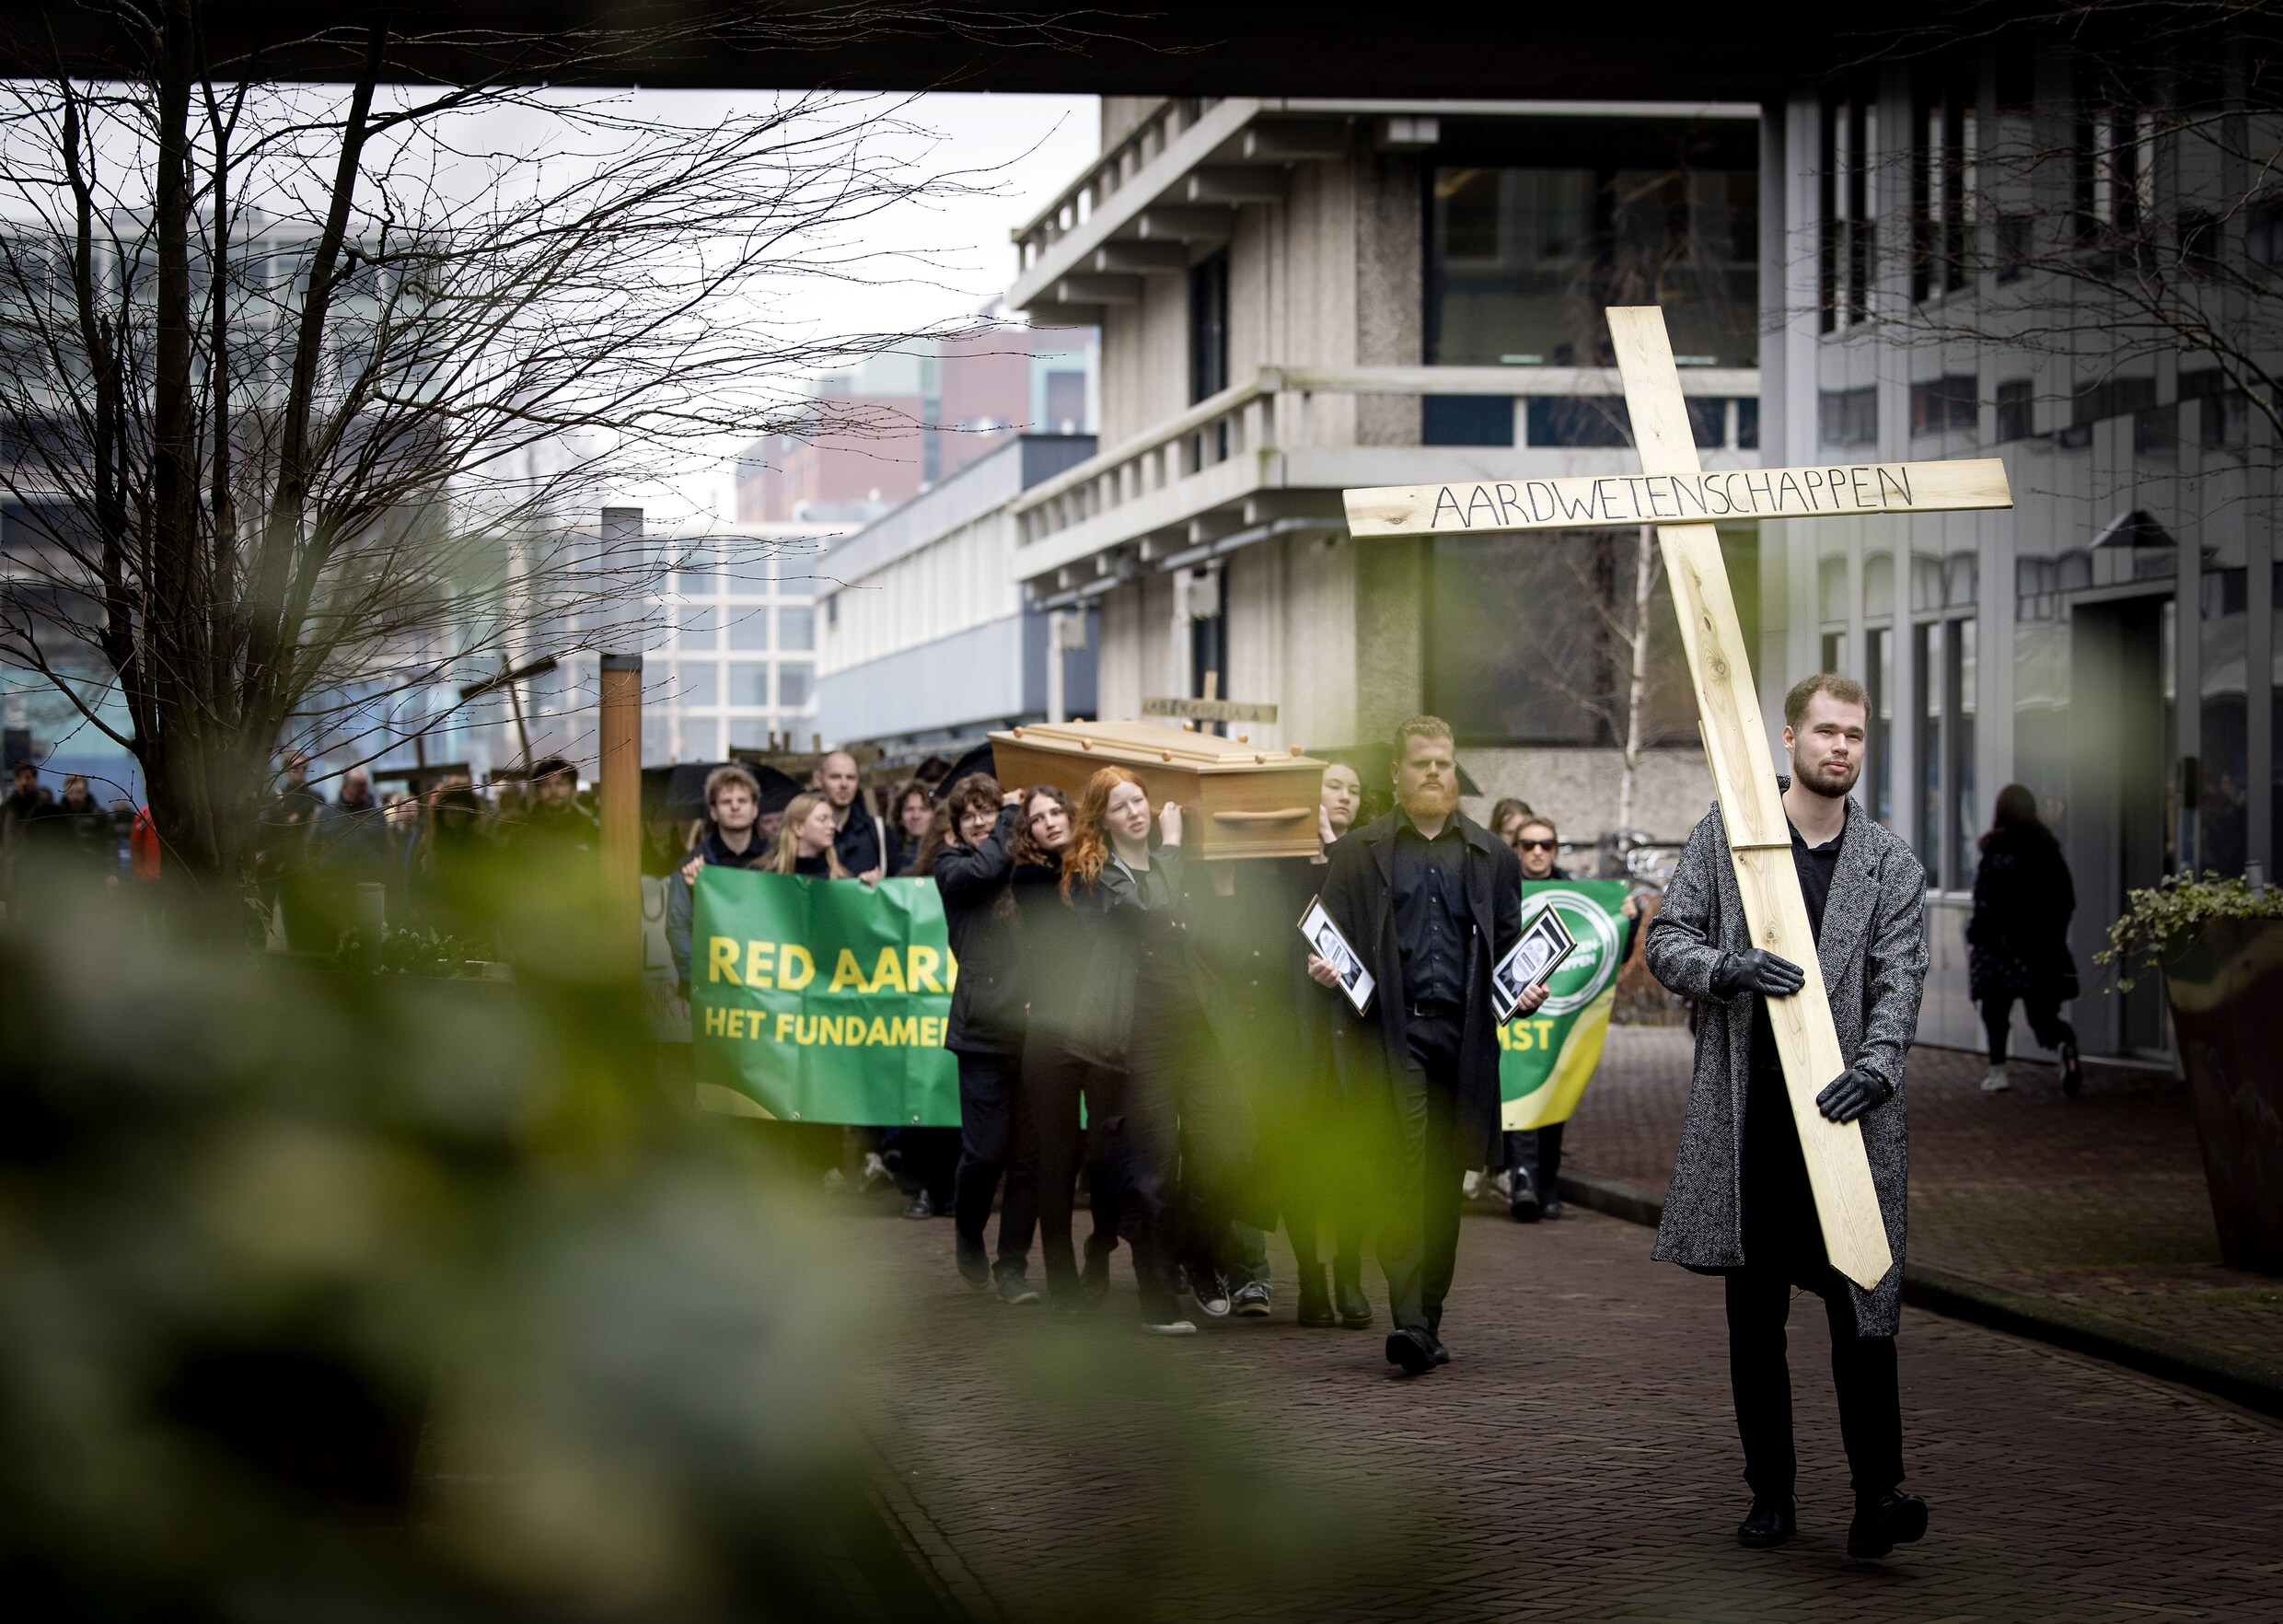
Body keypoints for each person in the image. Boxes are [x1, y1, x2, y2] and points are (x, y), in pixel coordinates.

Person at [1643, 672, 1930, 1561]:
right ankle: (1771, 1491)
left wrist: (1878, 1069)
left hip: (1847, 1126)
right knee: (1755, 1321)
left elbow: (1900, 975)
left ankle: (1878, 1494)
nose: (1841, 747)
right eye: (1826, 732)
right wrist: (1730, 968)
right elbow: (1666, 941)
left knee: (1862, 1313)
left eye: (1855, 735)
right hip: (1753, 1121)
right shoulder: (1729, 839)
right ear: (1789, 737)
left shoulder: (1890, 863)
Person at [1308, 716, 1539, 1375]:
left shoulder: (1493, 856)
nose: (1435, 773)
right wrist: (1326, 970)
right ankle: (1408, 1319)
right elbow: (1329, 942)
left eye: (1444, 762)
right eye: (1421, 764)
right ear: (1397, 774)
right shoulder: (1359, 852)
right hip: (1391, 1033)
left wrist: (1522, 990)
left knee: (1443, 1180)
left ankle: (1427, 1320)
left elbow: (1509, 945)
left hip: (1464, 1035)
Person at [1061, 766, 1202, 1334]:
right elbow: (1152, 911)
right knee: (1153, 1164)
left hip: (1193, 1028)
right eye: (1119, 807)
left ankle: (1196, 1264)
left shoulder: (1174, 862)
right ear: (1102, 821)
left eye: (1139, 800)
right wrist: (1172, 847)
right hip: (1142, 1035)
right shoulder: (1104, 876)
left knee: (1216, 1153)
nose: (1135, 812)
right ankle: (1155, 1296)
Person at [1010, 783, 1127, 1315]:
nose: (1051, 822)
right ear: (1027, 831)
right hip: (1052, 1031)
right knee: (1054, 1157)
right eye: (1038, 818)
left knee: (1107, 1152)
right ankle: (1060, 1277)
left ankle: (1100, 1246)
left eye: (1059, 811)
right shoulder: (1030, 879)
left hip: (1103, 1027)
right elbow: (1075, 925)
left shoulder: (1101, 867)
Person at [1501, 813, 1641, 1223]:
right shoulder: (1500, 891)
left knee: (1554, 1092)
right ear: (1517, 849)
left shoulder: (1580, 893)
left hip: (1563, 1014)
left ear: (1556, 849)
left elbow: (1605, 944)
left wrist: (1628, 921)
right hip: (1513, 1014)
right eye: (1529, 845)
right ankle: (1524, 1180)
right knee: (1519, 1089)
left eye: (1546, 844)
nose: (1538, 852)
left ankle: (1547, 1185)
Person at [925, 773, 1037, 1282]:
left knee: (1030, 1156)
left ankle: (1011, 1264)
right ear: (954, 829)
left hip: (1038, 1026)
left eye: (987, 811)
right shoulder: (953, 868)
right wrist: (1010, 819)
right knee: (986, 1151)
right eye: (968, 815)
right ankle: (968, 1230)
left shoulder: (1029, 865)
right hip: (983, 1031)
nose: (978, 821)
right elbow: (986, 869)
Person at [1967, 784, 2083, 1096]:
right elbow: (2065, 899)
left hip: (1997, 946)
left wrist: (1977, 933)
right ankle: (2063, 1044)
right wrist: (2053, 937)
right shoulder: (2046, 847)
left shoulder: (1996, 848)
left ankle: (1998, 1071)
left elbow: (1985, 899)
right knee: (2043, 1014)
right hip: (2039, 947)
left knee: (1995, 1008)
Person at [666, 765, 772, 994]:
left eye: (742, 800)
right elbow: (678, 927)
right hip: (708, 988)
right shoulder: (692, 863)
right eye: (726, 801)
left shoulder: (775, 861)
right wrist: (697, 979)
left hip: (766, 988)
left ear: (755, 809)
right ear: (713, 812)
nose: (735, 806)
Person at [509, 757, 598, 856]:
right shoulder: (522, 833)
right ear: (537, 790)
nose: (553, 791)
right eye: (545, 785)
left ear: (573, 788)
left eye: (560, 784)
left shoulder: (589, 830)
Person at [817, 750, 885, 882]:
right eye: (835, 777)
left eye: (850, 777)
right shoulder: (805, 832)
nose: (844, 784)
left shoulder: (876, 831)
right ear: (820, 780)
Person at [36, 773, 118, 880]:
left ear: (86, 790)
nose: (75, 796)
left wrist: (112, 874)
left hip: (94, 873)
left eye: (79, 792)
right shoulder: (57, 817)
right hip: (65, 874)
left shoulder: (100, 816)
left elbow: (110, 846)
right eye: (71, 792)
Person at [761, 791, 853, 878]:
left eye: (832, 819)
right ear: (798, 828)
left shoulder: (840, 879)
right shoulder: (764, 874)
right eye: (822, 819)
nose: (832, 825)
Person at [2, 759, 54, 897]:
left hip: (41, 870)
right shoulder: (7, 808)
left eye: (28, 778)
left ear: (35, 780)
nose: (24, 782)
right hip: (14, 871)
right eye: (20, 778)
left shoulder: (47, 807)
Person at [884, 779, 933, 877]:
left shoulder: (945, 850)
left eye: (923, 809)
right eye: (909, 809)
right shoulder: (889, 853)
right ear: (899, 817)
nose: (916, 816)